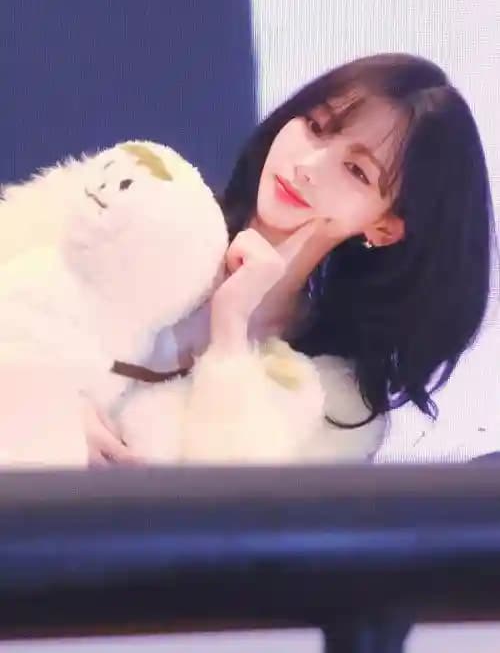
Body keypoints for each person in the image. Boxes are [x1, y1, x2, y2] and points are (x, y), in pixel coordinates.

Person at [87, 53, 496, 463]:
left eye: (356, 171)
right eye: (316, 126)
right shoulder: (144, 212)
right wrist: (59, 418)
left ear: (385, 227)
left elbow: (237, 496)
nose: (308, 166)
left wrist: (230, 331)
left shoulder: (336, 402)